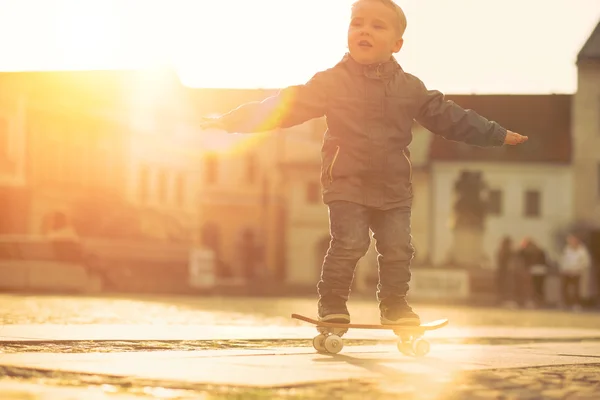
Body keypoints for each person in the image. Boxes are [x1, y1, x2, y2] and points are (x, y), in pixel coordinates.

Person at [200, 0, 528, 325]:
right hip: (347, 180)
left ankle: (395, 306)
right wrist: (231, 120)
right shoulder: (332, 82)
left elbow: (450, 118)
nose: (364, 31)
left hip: (394, 186)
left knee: (399, 248)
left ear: (396, 44)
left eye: (377, 26)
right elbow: (285, 106)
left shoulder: (409, 88)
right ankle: (332, 305)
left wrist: (495, 134)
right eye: (358, 23)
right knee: (350, 243)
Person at [559, 234, 592, 311]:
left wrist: (578, 269)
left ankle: (576, 304)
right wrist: (563, 269)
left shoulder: (582, 251)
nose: (571, 243)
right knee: (565, 289)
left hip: (576, 273)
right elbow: (563, 260)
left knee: (576, 289)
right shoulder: (567, 249)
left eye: (572, 241)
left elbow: (586, 263)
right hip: (567, 272)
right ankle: (565, 304)